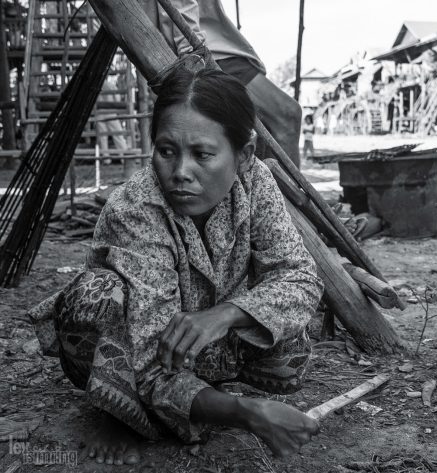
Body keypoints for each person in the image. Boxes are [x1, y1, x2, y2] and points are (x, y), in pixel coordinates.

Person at [28, 65, 323, 465]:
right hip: (136, 353)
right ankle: (137, 406)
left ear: (245, 155)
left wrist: (226, 314)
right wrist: (245, 412)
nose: (180, 173)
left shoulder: (257, 184)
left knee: (289, 356)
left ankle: (198, 394)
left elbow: (301, 277)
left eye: (202, 154)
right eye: (167, 151)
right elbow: (148, 361)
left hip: (203, 350)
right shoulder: (136, 208)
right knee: (96, 294)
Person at [142, 0, 303, 168]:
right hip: (204, 48)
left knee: (258, 132)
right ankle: (279, 193)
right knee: (287, 116)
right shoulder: (195, 50)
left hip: (204, 43)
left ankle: (261, 190)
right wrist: (193, 54)